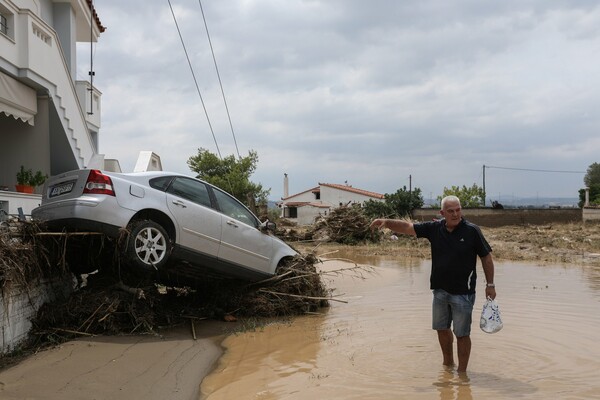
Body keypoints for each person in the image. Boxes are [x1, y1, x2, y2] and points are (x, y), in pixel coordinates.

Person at [369, 195, 496, 372]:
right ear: (442, 213)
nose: (455, 214)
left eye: (458, 210)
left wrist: (490, 285)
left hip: (463, 293)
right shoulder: (434, 228)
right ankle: (448, 365)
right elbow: (408, 227)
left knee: (462, 334)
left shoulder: (472, 231)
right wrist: (385, 222)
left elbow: (486, 257)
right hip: (439, 291)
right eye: (450, 211)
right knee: (441, 329)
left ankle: (462, 373)